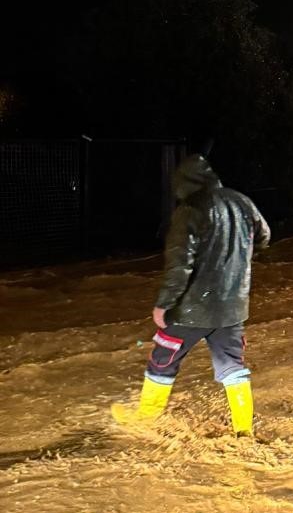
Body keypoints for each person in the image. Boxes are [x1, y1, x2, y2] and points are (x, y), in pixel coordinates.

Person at [111, 154, 270, 435]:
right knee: (232, 367)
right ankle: (244, 430)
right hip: (233, 307)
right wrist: (236, 260)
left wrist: (163, 304)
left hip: (191, 308)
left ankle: (145, 420)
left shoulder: (190, 210)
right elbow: (264, 237)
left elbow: (178, 264)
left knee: (163, 359)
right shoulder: (241, 201)